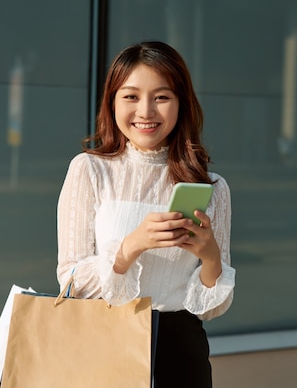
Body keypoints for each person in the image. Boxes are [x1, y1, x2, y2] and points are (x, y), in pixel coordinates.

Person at [56, 41, 235, 388]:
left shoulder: (213, 187)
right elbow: (70, 281)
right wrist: (130, 247)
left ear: (182, 103)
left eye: (162, 97)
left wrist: (211, 257)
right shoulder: (89, 170)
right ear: (112, 102)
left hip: (181, 352)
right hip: (102, 341)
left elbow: (209, 308)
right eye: (131, 96)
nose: (146, 111)